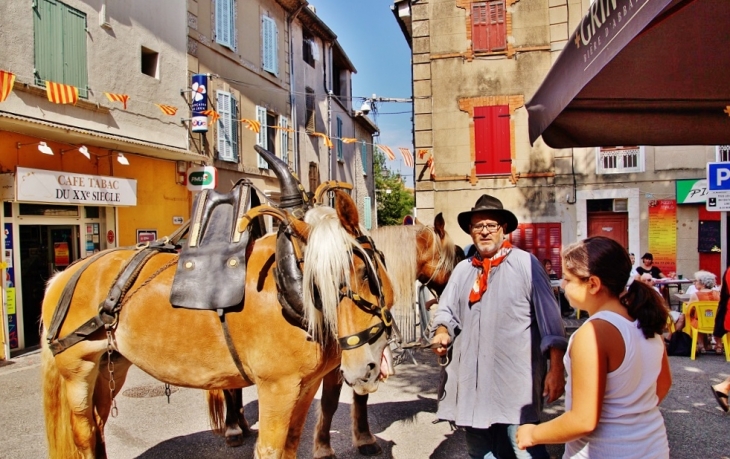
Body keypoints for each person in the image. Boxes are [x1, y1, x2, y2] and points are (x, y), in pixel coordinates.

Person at [430, 194, 568, 459]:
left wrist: (556, 369)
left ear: (503, 228)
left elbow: (551, 321)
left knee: (525, 450)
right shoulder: (462, 271)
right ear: (470, 231)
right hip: (472, 385)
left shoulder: (526, 265)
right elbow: (446, 311)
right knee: (481, 453)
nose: (484, 231)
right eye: (477, 226)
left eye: (491, 225)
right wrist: (442, 331)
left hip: (515, 387)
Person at [516, 236, 671, 458]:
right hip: (652, 446)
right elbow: (663, 384)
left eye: (568, 280)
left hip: (605, 450)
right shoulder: (645, 319)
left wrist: (533, 433)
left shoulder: (593, 333)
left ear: (593, 284)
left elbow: (583, 420)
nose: (562, 285)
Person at [686, 270, 723, 354]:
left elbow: (688, 311)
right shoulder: (718, 294)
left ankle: (701, 345)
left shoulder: (695, 295)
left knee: (696, 318)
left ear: (702, 283)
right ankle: (719, 345)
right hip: (717, 323)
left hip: (701, 324)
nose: (695, 282)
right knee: (715, 319)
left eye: (696, 281)